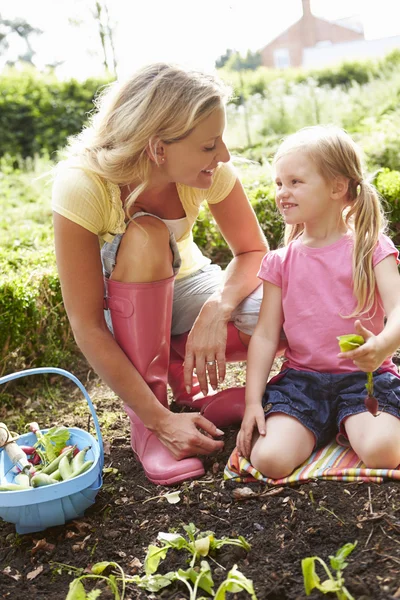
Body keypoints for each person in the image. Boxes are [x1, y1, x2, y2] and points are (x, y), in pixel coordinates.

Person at [52, 62, 270, 486]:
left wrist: (217, 309)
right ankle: (152, 424)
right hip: (125, 315)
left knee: (286, 306)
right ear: (157, 148)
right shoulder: (83, 184)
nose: (223, 155)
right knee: (148, 237)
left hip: (191, 288)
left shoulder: (211, 173)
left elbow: (255, 251)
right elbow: (87, 325)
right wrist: (158, 421)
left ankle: (223, 393)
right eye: (209, 145)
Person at [237, 125, 400, 480]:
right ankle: (327, 427)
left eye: (295, 182)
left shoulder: (371, 248)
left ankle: (348, 424)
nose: (282, 192)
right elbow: (265, 335)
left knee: (382, 452)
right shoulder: (280, 261)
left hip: (365, 379)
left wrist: (382, 345)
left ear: (337, 187)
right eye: (279, 183)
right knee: (271, 460)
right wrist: (252, 403)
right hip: (302, 383)